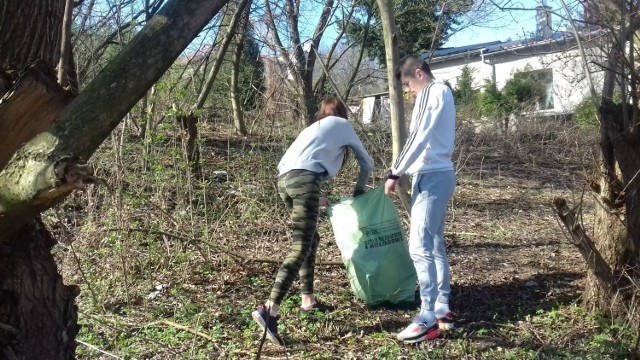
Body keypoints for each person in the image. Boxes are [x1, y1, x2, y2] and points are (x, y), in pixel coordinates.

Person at [252, 97, 374, 346]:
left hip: (285, 182)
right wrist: (359, 192)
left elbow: (295, 168)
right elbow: (367, 162)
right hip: (304, 180)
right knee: (301, 245)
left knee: (311, 239)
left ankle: (307, 299)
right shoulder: (342, 124)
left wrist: (316, 197)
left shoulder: (312, 129)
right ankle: (269, 309)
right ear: (341, 113)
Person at [384, 56, 456, 343]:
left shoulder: (434, 91)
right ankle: (442, 308)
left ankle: (426, 317)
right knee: (434, 243)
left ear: (418, 74)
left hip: (433, 177)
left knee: (419, 246)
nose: (408, 90)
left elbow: (418, 135)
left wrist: (395, 170)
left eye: (407, 84)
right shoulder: (439, 93)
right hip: (433, 175)